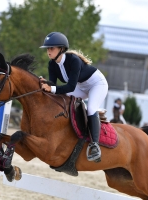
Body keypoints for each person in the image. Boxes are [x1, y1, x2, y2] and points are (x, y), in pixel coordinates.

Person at [39, 32, 108, 162]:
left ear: (61, 49)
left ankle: (95, 145)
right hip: (81, 86)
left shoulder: (74, 60)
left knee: (91, 109)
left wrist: (52, 88)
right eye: (47, 48)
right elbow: (53, 85)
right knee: (63, 98)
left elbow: (70, 87)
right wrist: (45, 83)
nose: (48, 51)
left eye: (51, 48)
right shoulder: (52, 64)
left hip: (97, 84)